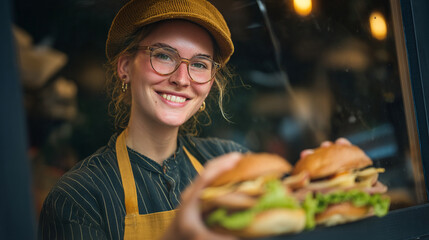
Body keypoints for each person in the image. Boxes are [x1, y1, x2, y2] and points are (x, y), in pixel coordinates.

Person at [38, 0, 352, 239]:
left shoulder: (232, 162)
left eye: (200, 64)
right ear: (125, 67)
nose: (182, 78)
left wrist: (334, 191)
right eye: (163, 56)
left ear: (211, 82)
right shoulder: (77, 198)